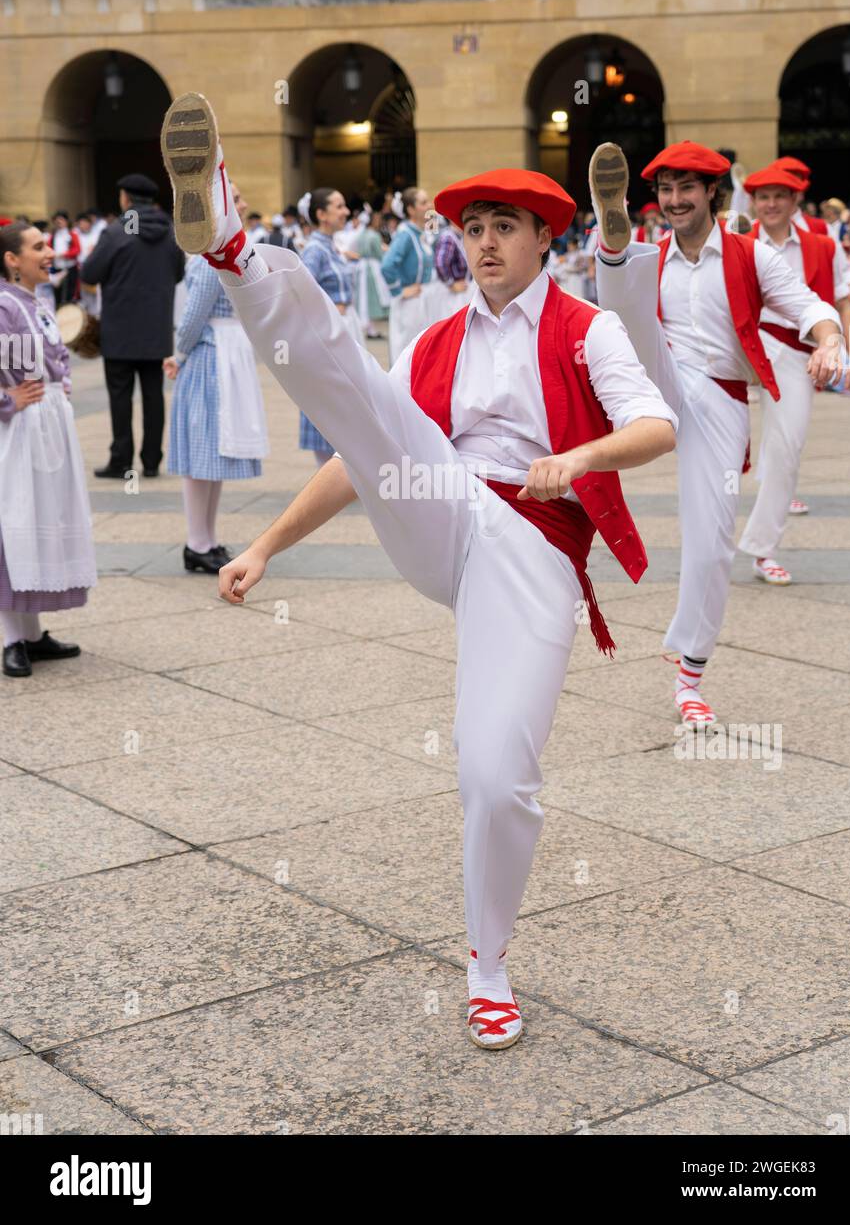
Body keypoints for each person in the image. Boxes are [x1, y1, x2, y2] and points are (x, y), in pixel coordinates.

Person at [159, 91, 679, 1050]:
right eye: (472, 228)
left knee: (495, 775)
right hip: (444, 503)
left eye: (503, 228)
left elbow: (657, 426)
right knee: (363, 394)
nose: (483, 243)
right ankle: (235, 247)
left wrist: (580, 460)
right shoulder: (437, 335)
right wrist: (266, 546)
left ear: (541, 238)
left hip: (537, 547)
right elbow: (364, 444)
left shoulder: (583, 329)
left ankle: (488, 963)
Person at [590, 140, 844, 728]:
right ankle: (610, 242)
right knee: (631, 293)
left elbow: (807, 305)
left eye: (686, 189)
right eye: (665, 191)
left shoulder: (750, 255)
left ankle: (690, 675)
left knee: (710, 543)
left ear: (712, 193)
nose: (675, 201)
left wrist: (830, 340)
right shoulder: (655, 258)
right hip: (658, 378)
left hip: (720, 401)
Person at [735, 165, 850, 585]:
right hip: (744, 345)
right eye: (763, 196)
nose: (770, 204)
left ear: (794, 201)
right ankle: (709, 540)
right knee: (714, 446)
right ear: (752, 202)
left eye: (779, 196)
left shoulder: (823, 246)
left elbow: (843, 303)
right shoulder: (738, 243)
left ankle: (762, 549)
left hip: (798, 350)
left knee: (789, 444)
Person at [0, 221, 97, 677]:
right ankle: (11, 637)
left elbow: (54, 360)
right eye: (38, 246)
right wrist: (7, 400)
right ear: (12, 260)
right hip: (19, 430)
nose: (48, 252)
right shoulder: (4, 304)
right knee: (15, 520)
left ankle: (33, 632)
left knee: (41, 517)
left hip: (47, 425)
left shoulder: (38, 302)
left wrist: (62, 388)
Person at [164, 181, 269, 574]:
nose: (242, 203)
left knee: (214, 454)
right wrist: (180, 353)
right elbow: (193, 316)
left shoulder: (226, 249)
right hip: (210, 355)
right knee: (202, 454)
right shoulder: (211, 254)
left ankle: (205, 538)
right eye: (235, 199)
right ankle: (197, 541)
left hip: (223, 353)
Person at [81, 172, 186, 478]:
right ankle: (152, 460)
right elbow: (178, 274)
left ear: (126, 198)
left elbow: (89, 273)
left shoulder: (117, 232)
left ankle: (121, 460)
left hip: (120, 331)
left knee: (120, 396)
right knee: (154, 395)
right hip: (156, 330)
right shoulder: (170, 232)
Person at [296, 187, 366, 467]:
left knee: (349, 399)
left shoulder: (330, 246)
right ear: (322, 215)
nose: (346, 211)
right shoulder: (314, 250)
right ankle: (328, 469)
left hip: (345, 327)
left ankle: (344, 468)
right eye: (339, 206)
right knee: (332, 400)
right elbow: (299, 296)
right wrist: (327, 314)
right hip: (328, 335)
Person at [380, 187, 440, 363]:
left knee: (423, 350)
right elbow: (387, 265)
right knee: (408, 352)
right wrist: (400, 290)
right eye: (423, 203)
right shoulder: (405, 234)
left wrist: (431, 221)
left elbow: (434, 244)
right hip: (410, 303)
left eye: (428, 200)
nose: (429, 205)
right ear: (411, 210)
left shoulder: (422, 231)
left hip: (424, 300)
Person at [354, 194, 391, 339]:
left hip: (362, 266)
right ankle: (371, 328)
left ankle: (370, 328)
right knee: (372, 298)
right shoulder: (374, 236)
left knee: (365, 298)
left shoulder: (361, 234)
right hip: (372, 268)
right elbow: (379, 254)